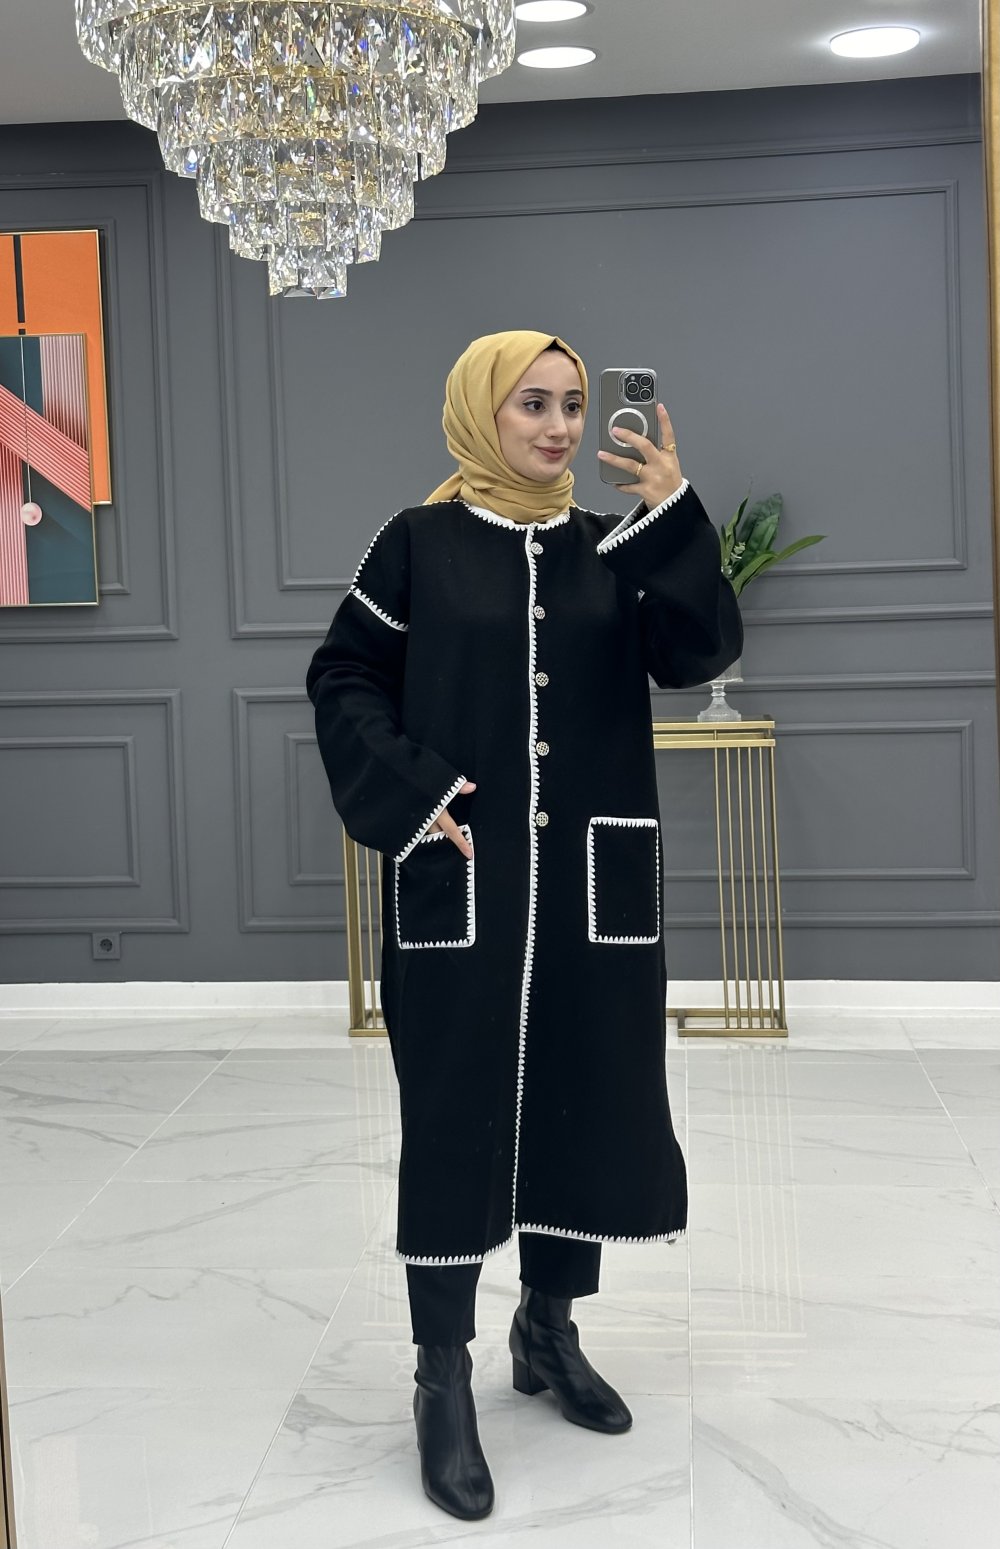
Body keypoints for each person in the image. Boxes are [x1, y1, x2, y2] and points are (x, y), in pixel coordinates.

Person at [305, 330, 743, 1521]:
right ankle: (439, 1374)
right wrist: (418, 793)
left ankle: (547, 1331)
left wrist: (672, 515)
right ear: (480, 412)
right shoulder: (417, 544)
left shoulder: (614, 547)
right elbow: (343, 677)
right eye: (531, 405)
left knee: (584, 1099)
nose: (556, 426)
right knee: (453, 1117)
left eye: (572, 405)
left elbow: (697, 652)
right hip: (463, 880)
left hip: (595, 891)